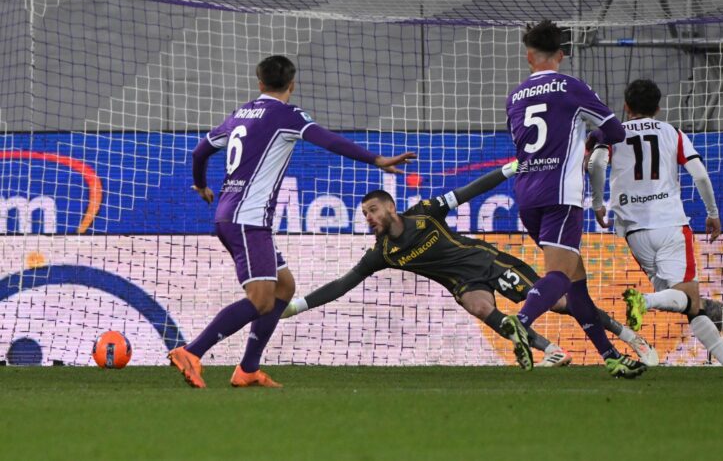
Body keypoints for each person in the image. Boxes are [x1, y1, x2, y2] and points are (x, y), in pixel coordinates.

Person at [168, 55, 416, 388]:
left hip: (232, 214)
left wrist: (201, 185)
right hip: (247, 219)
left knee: (284, 287)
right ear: (292, 84)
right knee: (261, 299)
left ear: (259, 83)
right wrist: (377, 159)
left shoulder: (240, 114)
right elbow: (327, 139)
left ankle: (248, 369)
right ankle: (192, 351)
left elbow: (200, 152)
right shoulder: (287, 115)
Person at [282, 163, 660, 368]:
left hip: (488, 262)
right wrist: (296, 306)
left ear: (391, 207)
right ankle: (551, 350)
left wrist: (510, 170)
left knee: (561, 303)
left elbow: (468, 192)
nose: (369, 217)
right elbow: (343, 284)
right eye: (365, 214)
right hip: (463, 283)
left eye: (373, 209)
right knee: (478, 306)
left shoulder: (425, 212)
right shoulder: (382, 253)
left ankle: (628, 336)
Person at [501, 20, 647, 377]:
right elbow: (615, 131)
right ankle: (521, 321)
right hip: (561, 194)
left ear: (528, 56)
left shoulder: (515, 97)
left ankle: (610, 356)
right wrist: (592, 139)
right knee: (560, 275)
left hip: (526, 194)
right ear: (562, 54)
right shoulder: (570, 87)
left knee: (575, 280)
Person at [587, 79, 723, 379]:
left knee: (685, 303)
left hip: (634, 230)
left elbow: (595, 165)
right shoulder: (672, 133)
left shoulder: (612, 132)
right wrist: (712, 213)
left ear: (626, 107)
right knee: (689, 299)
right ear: (658, 108)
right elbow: (700, 175)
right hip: (670, 225)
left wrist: (598, 203)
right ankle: (644, 301)